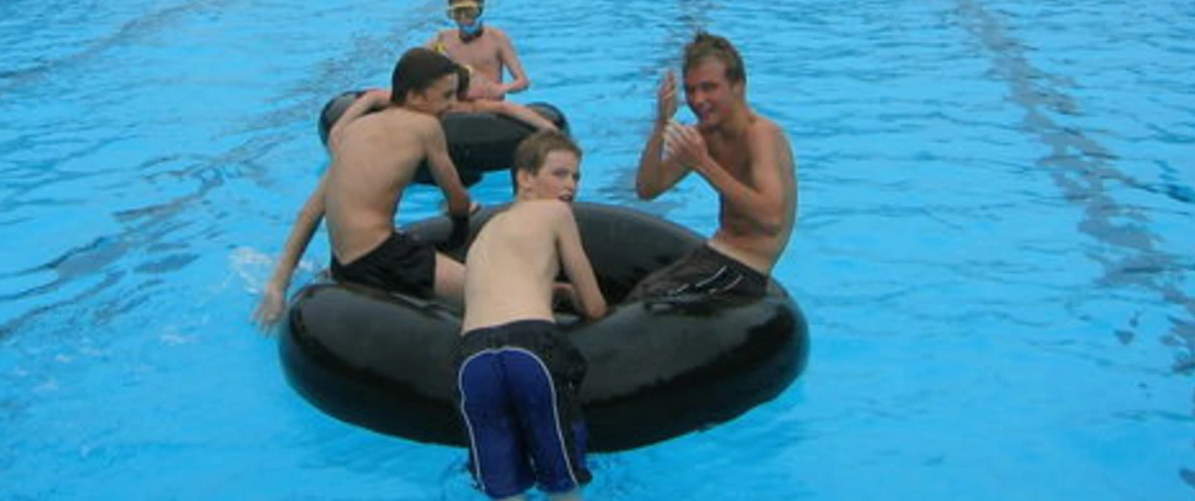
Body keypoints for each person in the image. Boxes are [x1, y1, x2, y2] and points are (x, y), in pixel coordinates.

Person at [252, 48, 476, 329]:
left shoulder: (356, 130)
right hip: (383, 256)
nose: (453, 104)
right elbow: (457, 198)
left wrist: (277, 285)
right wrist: (461, 224)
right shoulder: (426, 125)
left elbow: (309, 212)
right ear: (414, 97)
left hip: (344, 265)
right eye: (446, 95)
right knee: (488, 290)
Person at [455, 132, 607, 501]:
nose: (570, 185)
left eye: (575, 177)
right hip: (532, 348)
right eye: (560, 174)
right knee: (563, 485)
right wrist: (569, 294)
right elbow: (594, 306)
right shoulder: (556, 212)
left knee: (504, 491)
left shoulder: (485, 233)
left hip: (472, 357)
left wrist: (547, 289)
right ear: (525, 178)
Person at [628, 32, 796, 301]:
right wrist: (661, 122)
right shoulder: (705, 135)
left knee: (647, 304)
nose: (698, 100)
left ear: (738, 86)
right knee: (635, 293)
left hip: (745, 268)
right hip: (713, 254)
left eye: (709, 87)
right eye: (691, 90)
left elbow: (772, 219)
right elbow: (647, 189)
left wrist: (704, 164)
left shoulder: (761, 135)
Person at [431, 0, 531, 102]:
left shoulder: (497, 38)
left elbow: (523, 81)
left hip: (492, 108)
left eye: (469, 12)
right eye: (457, 13)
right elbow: (414, 65)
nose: (463, 19)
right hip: (460, 107)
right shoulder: (443, 39)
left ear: (480, 10)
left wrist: (500, 89)